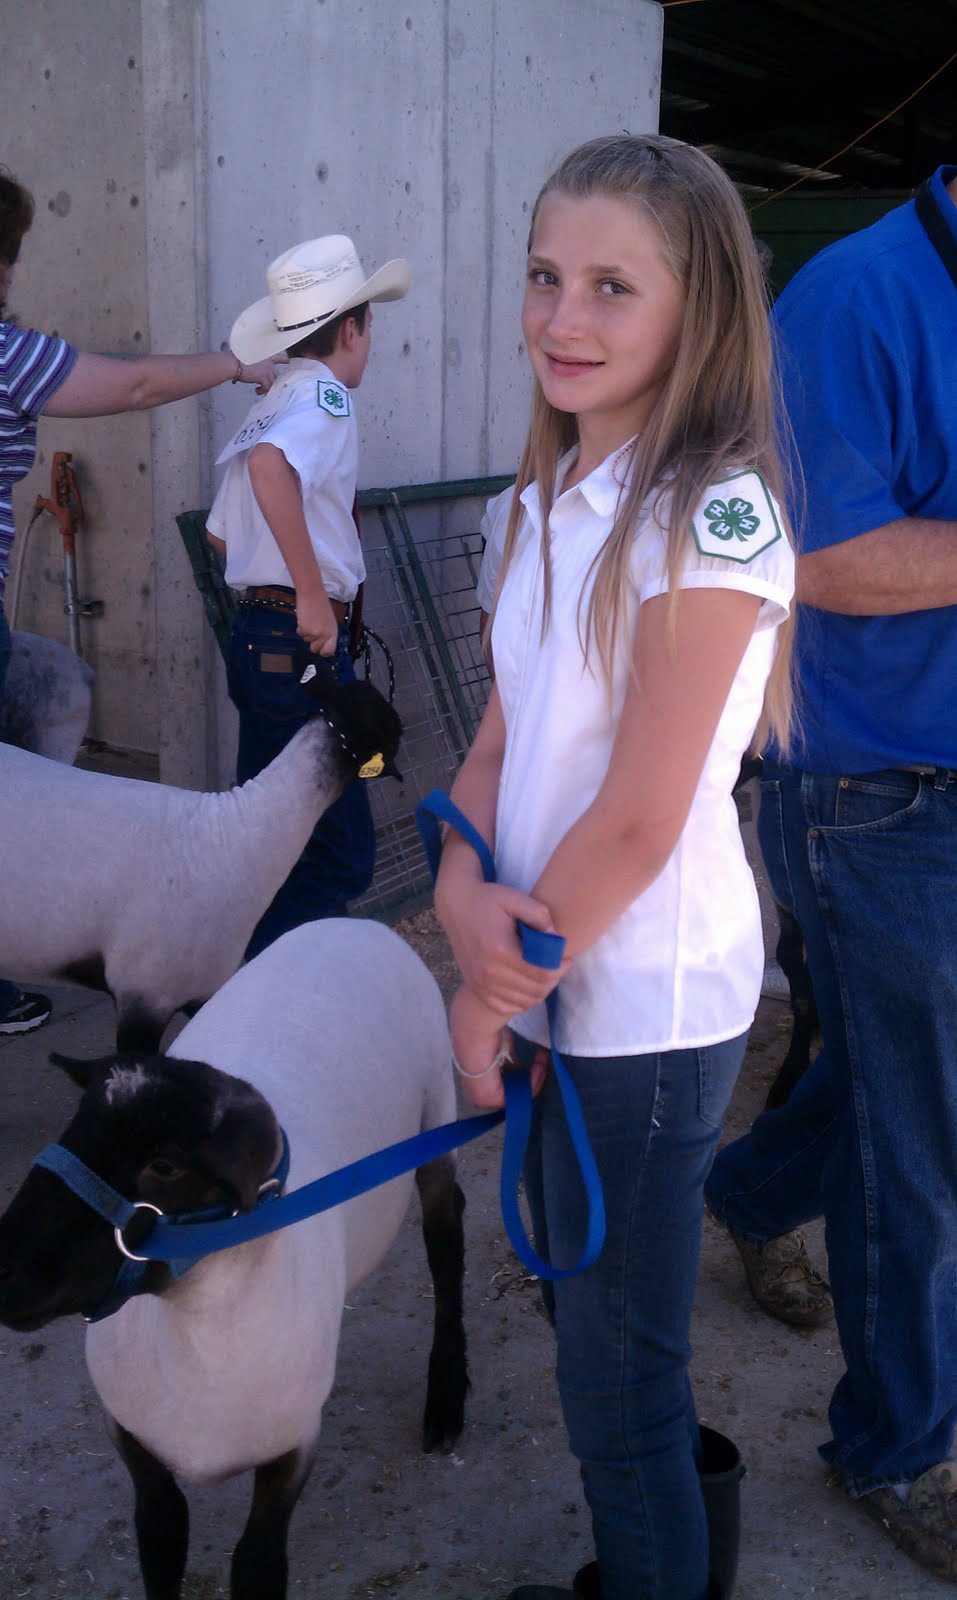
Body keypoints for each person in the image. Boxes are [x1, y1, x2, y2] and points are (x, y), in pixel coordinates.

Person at [433, 133, 795, 1600]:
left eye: (610, 287)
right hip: (548, 968)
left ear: (695, 308)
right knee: (590, 1327)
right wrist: (458, 895)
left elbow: (643, 816)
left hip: (639, 1002)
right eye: (544, 275)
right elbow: (493, 749)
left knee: (618, 1378)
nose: (561, 319)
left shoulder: (712, 514)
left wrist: (486, 996)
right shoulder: (541, 500)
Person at [704, 162, 957, 1583]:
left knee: (896, 1079)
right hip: (872, 796)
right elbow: (821, 557)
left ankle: (747, 1195)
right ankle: (897, 1447)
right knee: (921, 1143)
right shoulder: (854, 299)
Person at [0, 164, 282, 1036]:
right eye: (9, 254)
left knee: (52, 692)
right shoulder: (6, 352)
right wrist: (237, 365)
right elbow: (130, 386)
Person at [205, 234, 409, 957]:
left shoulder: (273, 401)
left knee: (268, 838)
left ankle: (236, 976)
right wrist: (312, 594)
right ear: (351, 329)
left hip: (259, 639)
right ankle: (276, 987)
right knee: (336, 853)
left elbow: (222, 537)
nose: (369, 341)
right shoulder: (324, 397)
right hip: (300, 643)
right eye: (370, 327)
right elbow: (271, 469)